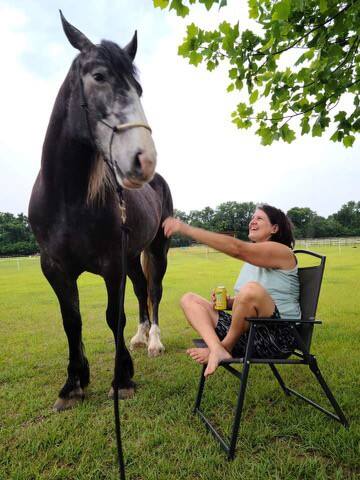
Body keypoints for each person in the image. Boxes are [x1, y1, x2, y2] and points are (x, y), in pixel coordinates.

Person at [162, 204, 301, 378]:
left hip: (278, 338)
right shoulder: (252, 261)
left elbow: (238, 250)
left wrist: (186, 229)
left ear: (274, 228)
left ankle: (224, 347)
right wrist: (229, 302)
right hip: (249, 333)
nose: (252, 221)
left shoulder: (282, 251)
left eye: (259, 218)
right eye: (252, 218)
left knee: (250, 290)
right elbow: (248, 302)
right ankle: (216, 348)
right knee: (189, 299)